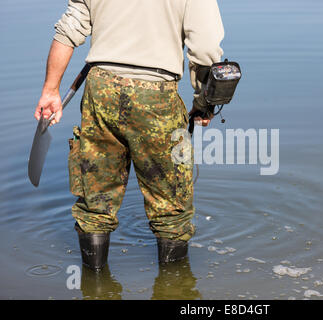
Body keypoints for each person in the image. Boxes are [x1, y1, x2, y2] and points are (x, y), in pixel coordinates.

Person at [34, 0, 224, 270]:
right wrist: (204, 102)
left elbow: (67, 31)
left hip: (100, 88)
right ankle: (173, 288)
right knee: (171, 205)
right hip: (156, 93)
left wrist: (51, 90)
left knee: (95, 198)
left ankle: (94, 282)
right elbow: (205, 50)